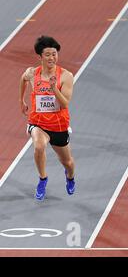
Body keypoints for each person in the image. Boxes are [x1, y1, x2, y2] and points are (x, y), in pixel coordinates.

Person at [19, 35, 76, 200]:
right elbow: (23, 79)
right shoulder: (32, 73)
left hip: (58, 125)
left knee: (68, 163)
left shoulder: (66, 76)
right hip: (38, 122)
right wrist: (21, 100)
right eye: (48, 54)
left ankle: (70, 176)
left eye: (54, 54)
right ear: (40, 57)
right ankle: (43, 179)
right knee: (38, 146)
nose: (52, 57)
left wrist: (53, 88)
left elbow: (64, 103)